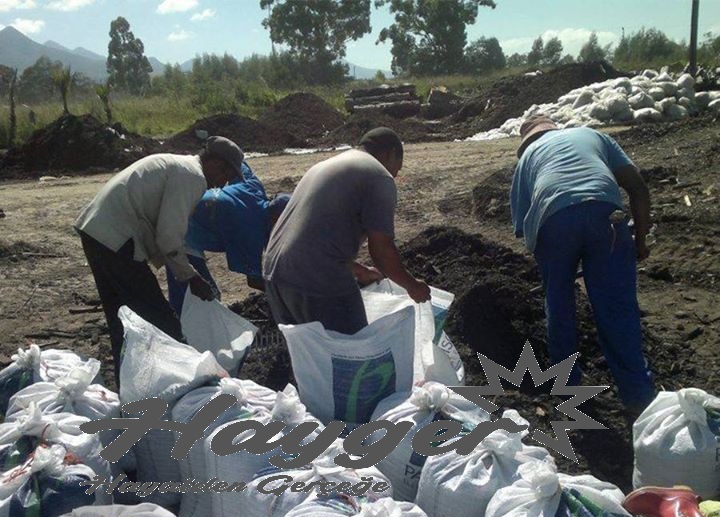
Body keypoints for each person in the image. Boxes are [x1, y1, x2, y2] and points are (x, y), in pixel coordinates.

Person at [510, 115, 656, 415]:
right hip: (607, 218)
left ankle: (570, 396)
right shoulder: (592, 135)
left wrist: (554, 265)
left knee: (560, 308)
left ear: (527, 143)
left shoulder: (526, 161)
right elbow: (638, 188)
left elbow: (524, 227)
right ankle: (640, 398)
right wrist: (639, 240)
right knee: (617, 310)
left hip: (553, 223)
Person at [73, 136, 241, 385]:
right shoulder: (192, 176)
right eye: (226, 173)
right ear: (215, 163)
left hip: (98, 230)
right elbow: (169, 236)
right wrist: (191, 277)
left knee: (122, 318)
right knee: (160, 319)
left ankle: (128, 388)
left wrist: (187, 272)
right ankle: (193, 384)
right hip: (117, 236)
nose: (225, 182)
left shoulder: (180, 166)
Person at [262, 127, 431, 335]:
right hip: (315, 280)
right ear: (390, 154)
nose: (395, 174)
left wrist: (361, 271)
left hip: (275, 275)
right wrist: (412, 285)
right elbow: (381, 249)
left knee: (313, 357)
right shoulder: (379, 176)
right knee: (353, 356)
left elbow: (313, 238)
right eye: (398, 167)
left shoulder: (324, 166)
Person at [165, 158, 292, 315]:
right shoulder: (250, 230)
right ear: (276, 219)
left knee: (194, 297)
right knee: (202, 297)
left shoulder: (253, 187)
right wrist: (288, 296)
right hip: (179, 233)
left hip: (184, 209)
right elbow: (254, 280)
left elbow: (239, 161)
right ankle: (179, 333)